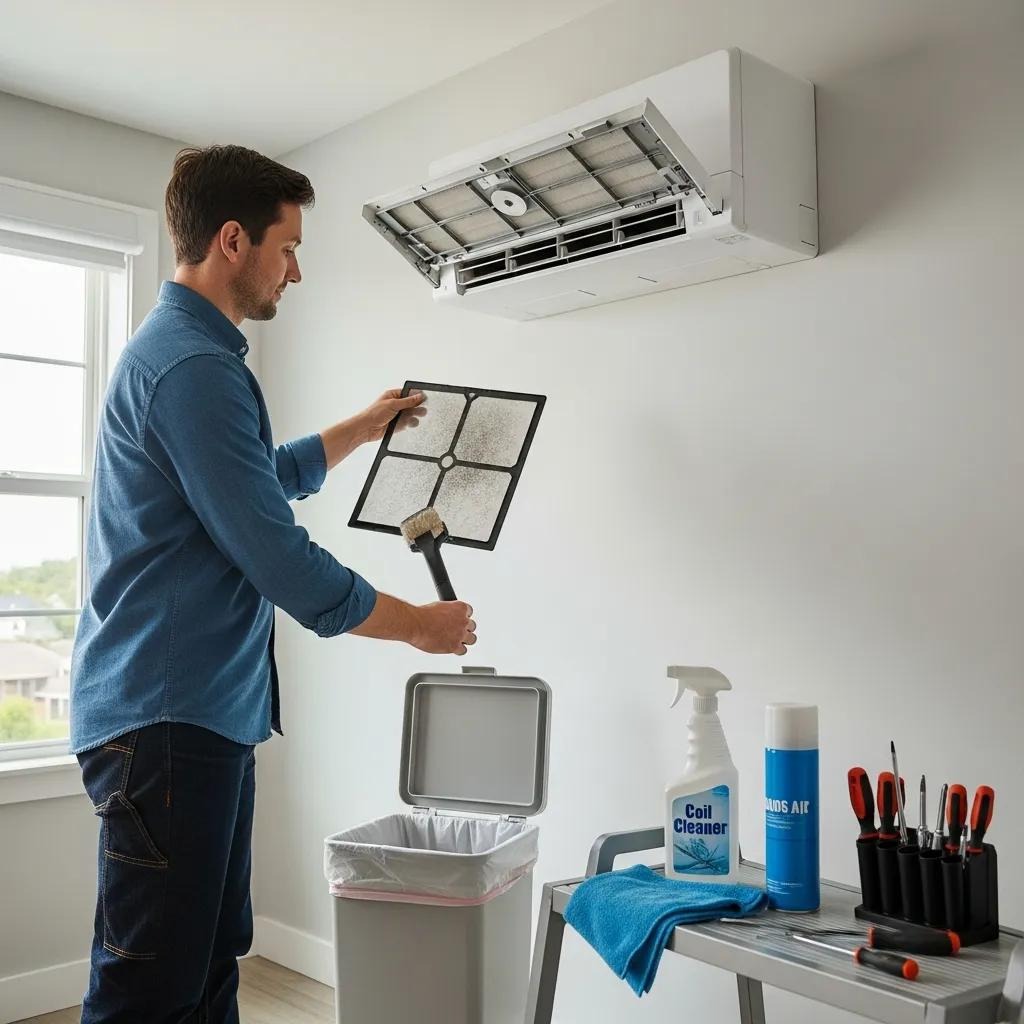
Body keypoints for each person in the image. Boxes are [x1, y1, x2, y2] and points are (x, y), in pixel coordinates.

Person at [68, 144, 476, 1023]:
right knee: (151, 991)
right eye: (287, 246)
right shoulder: (193, 369)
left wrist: (359, 430)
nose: (296, 270)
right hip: (166, 723)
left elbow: (250, 480)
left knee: (211, 962)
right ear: (230, 241)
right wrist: (420, 627)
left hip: (195, 717)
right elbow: (278, 557)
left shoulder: (190, 357)